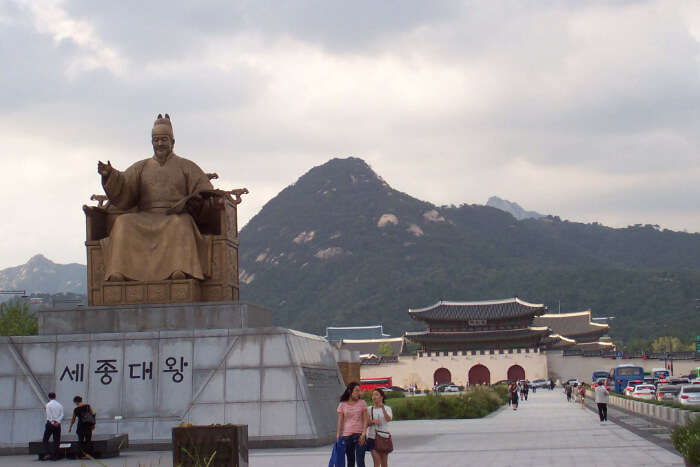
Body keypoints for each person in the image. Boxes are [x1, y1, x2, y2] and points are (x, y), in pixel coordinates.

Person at [97, 114, 220, 282]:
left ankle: (180, 269)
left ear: (172, 142)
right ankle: (119, 272)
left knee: (181, 223)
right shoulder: (141, 167)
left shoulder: (187, 166)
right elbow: (125, 188)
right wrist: (110, 176)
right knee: (123, 222)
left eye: (163, 140)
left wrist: (194, 201)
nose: (160, 144)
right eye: (156, 140)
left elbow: (204, 190)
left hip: (175, 216)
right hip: (146, 215)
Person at [337, 382, 368, 467]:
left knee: (360, 461)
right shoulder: (342, 404)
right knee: (350, 462)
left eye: (359, 391)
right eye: (357, 390)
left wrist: (363, 434)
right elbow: (340, 421)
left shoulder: (362, 403)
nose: (359, 393)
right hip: (347, 436)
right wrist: (338, 435)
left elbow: (365, 420)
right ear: (350, 391)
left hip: (360, 435)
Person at [366, 388, 392, 467]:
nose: (374, 397)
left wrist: (383, 408)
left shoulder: (387, 408)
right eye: (373, 395)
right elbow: (366, 423)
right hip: (372, 438)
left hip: (384, 438)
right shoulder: (369, 409)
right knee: (376, 462)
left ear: (381, 397)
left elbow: (388, 419)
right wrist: (372, 422)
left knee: (384, 464)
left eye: (376, 394)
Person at [42, 392, 64, 461]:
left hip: (50, 424)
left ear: (49, 397)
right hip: (58, 424)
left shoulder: (48, 405)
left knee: (45, 439)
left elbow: (49, 415)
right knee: (56, 440)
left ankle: (48, 453)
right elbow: (62, 414)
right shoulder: (60, 405)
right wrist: (57, 421)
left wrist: (52, 422)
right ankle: (55, 456)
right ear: (55, 396)